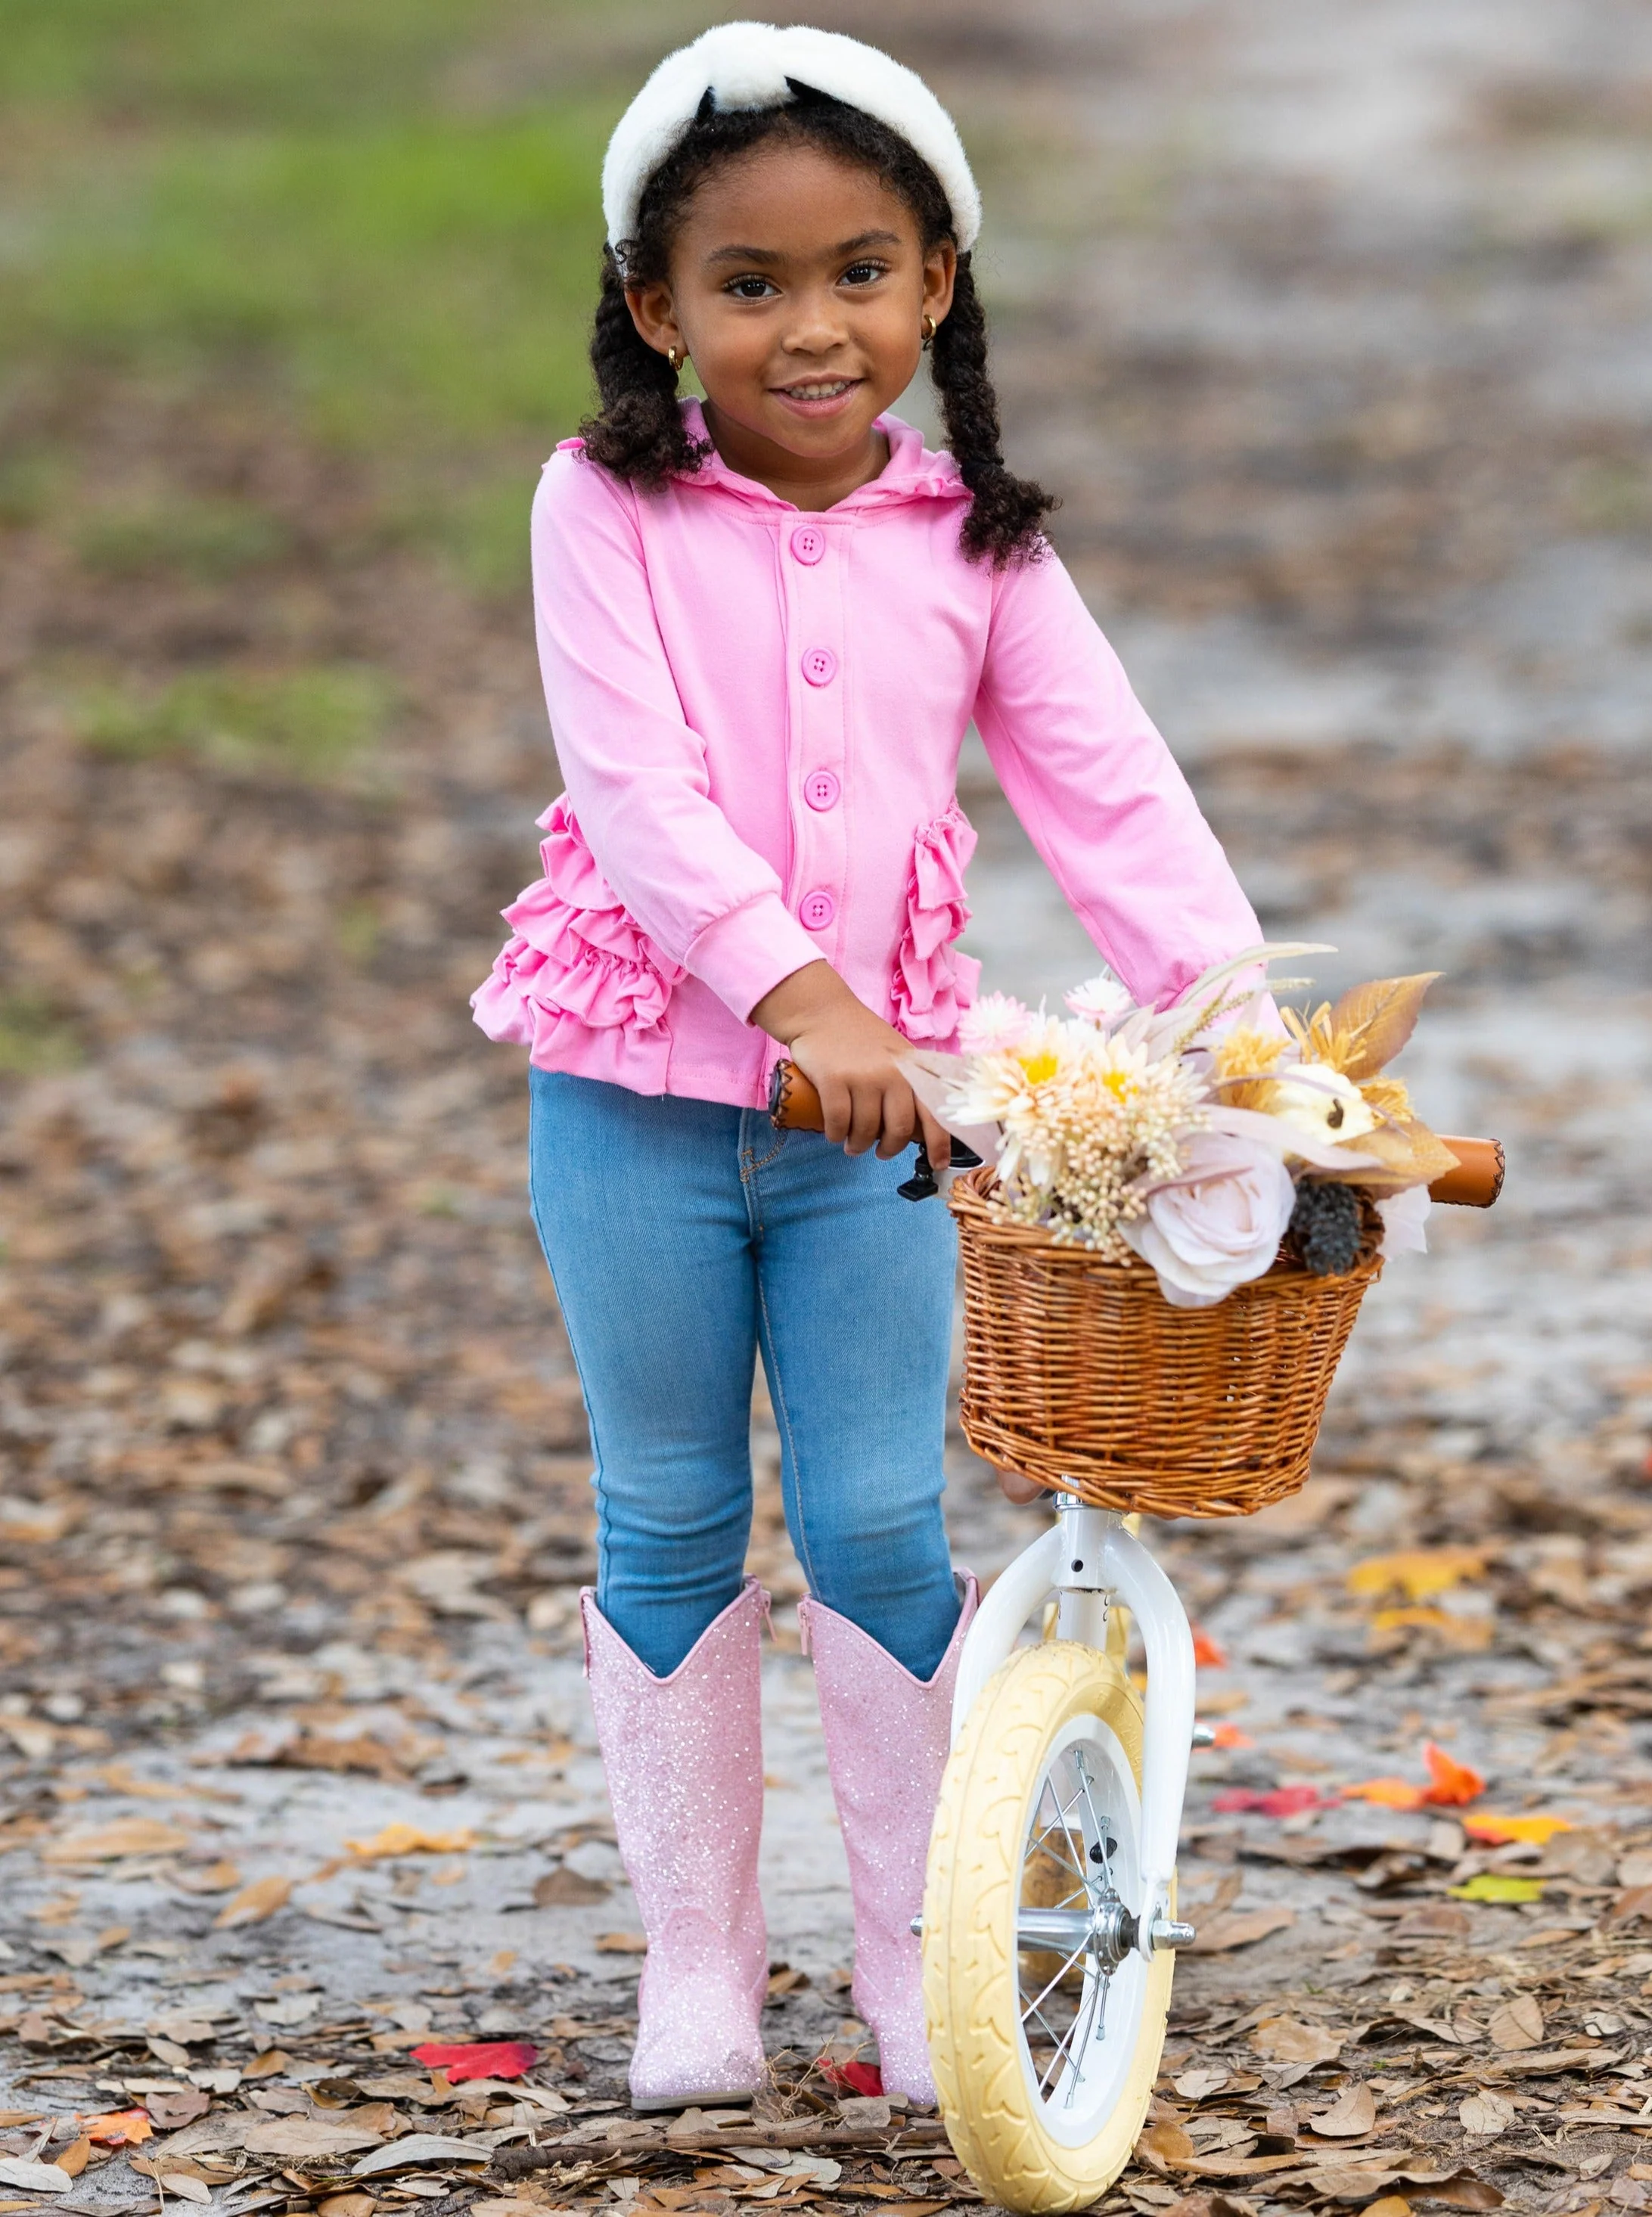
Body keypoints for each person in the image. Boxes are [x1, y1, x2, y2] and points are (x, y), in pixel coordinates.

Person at [473, 21, 1263, 2112]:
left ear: (936, 286)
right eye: (750, 283)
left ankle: (923, 1975)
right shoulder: (603, 504)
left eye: (859, 273)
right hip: (634, 1110)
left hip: (874, 1151)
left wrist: (1249, 1044)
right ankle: (701, 1969)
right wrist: (802, 998)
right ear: (661, 307)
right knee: (666, 1508)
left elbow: (1110, 795)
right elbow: (638, 794)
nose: (811, 327)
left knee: (883, 1523)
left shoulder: (977, 539)